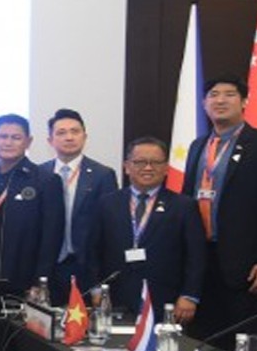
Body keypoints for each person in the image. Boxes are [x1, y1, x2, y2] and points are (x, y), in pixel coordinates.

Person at [182, 75, 257, 341]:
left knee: (240, 341)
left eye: (229, 94)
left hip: (244, 266)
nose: (220, 100)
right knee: (202, 338)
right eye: (213, 95)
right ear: (204, 104)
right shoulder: (198, 146)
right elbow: (186, 202)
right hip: (200, 259)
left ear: (244, 101)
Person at [87, 137, 204, 321]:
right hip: (114, 296)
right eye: (140, 162)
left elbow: (196, 256)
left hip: (165, 299)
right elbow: (92, 250)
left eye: (155, 162)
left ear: (166, 168)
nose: (148, 168)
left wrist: (189, 295)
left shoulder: (184, 206)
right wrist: (95, 288)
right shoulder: (107, 203)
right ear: (126, 166)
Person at [0, 114, 64, 297]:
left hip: (23, 279)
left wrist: (40, 281)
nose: (8, 143)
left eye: (16, 137)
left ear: (28, 142)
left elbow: (51, 238)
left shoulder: (45, 180)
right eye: (3, 137)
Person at [40, 108, 118, 299]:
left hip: (86, 266)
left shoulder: (103, 175)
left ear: (85, 136)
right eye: (61, 133)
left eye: (75, 131)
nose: (69, 137)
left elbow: (110, 228)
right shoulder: (39, 174)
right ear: (50, 140)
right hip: (49, 267)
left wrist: (102, 280)